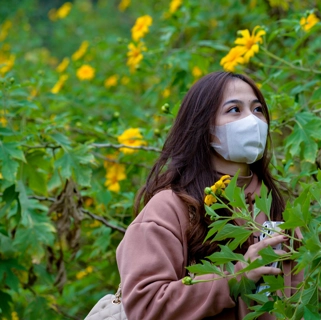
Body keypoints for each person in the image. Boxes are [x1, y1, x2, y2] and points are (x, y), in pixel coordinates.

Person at [116, 71, 303, 319]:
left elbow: (293, 301)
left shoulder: (276, 205)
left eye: (258, 110)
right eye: (234, 110)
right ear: (204, 126)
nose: (252, 120)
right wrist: (235, 279)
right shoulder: (169, 208)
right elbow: (146, 306)